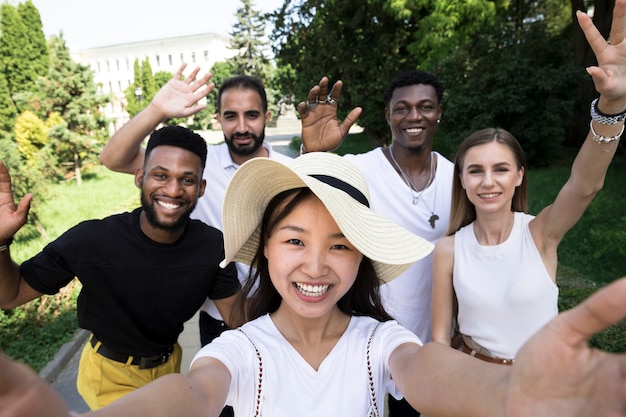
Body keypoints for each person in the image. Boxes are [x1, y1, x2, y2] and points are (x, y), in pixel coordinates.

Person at [7, 152, 626, 417]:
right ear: (266, 250)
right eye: (296, 241)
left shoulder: (379, 342)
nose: (316, 266)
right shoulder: (239, 349)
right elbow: (191, 397)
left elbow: (430, 369)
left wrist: (511, 394)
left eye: (340, 245)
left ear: (361, 262)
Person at [0, 126, 240, 410]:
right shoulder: (92, 240)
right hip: (108, 374)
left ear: (200, 188)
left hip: (169, 367)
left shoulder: (213, 247)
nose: (173, 190)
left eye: (186, 179)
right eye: (160, 175)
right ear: (140, 177)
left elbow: (240, 319)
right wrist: (1, 243)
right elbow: (11, 294)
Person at [299, 68, 453, 417]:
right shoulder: (360, 170)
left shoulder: (457, 178)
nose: (414, 116)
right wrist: (312, 152)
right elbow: (302, 202)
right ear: (388, 115)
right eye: (402, 108)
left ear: (439, 112)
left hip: (424, 342)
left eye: (425, 106)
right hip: (359, 336)